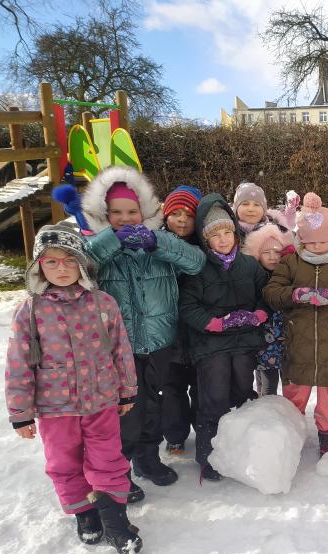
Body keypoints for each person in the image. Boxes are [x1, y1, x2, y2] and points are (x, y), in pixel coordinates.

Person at [55, 166, 206, 502]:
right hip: (116, 346)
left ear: (146, 212)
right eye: (117, 213)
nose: (125, 218)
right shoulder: (94, 243)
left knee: (155, 403)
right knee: (126, 410)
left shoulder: (160, 242)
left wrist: (156, 241)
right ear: (104, 215)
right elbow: (85, 264)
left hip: (159, 340)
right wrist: (114, 239)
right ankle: (118, 470)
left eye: (132, 212)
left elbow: (195, 262)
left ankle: (148, 459)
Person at [5, 224, 143, 554]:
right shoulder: (30, 310)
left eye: (69, 260)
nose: (61, 268)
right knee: (64, 462)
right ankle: (84, 513)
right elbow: (18, 363)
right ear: (38, 267)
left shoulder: (103, 303)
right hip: (55, 408)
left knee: (108, 459)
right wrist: (20, 414)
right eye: (51, 262)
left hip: (101, 401)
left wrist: (126, 391)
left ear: (81, 263)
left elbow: (120, 350)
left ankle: (114, 518)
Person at [263, 193, 328, 471]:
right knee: (295, 393)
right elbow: (272, 292)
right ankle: (291, 435)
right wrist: (295, 294)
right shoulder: (291, 262)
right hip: (299, 341)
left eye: (323, 241)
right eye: (311, 241)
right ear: (301, 241)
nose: (318, 246)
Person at [179, 194, 269, 481]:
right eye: (215, 234)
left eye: (227, 231)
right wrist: (214, 323)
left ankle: (240, 450)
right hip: (212, 345)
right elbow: (187, 306)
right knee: (214, 396)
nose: (222, 239)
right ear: (206, 239)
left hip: (245, 341)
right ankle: (208, 455)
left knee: (243, 392)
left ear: (235, 232)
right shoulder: (198, 269)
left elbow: (265, 297)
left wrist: (258, 315)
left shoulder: (250, 265)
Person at [160, 185, 203, 455]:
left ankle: (204, 431)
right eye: (175, 213)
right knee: (171, 388)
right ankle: (175, 435)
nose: (182, 219)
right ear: (165, 216)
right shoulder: (154, 244)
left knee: (202, 388)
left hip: (199, 332)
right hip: (168, 332)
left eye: (188, 213)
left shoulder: (205, 246)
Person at [244, 221, 295, 395]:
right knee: (268, 382)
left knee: (290, 382)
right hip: (264, 343)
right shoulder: (253, 278)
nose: (273, 257)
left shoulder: (291, 275)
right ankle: (265, 414)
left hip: (287, 340)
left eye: (277, 252)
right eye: (266, 252)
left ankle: (289, 417)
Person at [231, 182, 298, 241]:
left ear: (264, 210)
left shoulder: (276, 230)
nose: (251, 209)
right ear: (236, 209)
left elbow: (289, 228)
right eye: (245, 204)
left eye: (257, 205)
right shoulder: (227, 232)